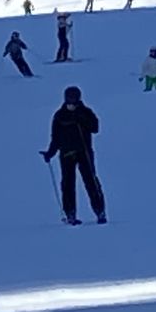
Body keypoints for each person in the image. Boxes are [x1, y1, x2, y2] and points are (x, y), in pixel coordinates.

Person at [40, 86, 106, 226]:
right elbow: (55, 138)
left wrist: (81, 118)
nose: (71, 102)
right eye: (69, 99)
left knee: (91, 182)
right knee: (67, 184)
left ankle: (100, 212)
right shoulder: (59, 116)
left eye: (74, 99)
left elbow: (95, 128)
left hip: (84, 153)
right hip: (66, 154)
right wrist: (50, 153)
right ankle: (70, 214)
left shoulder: (86, 112)